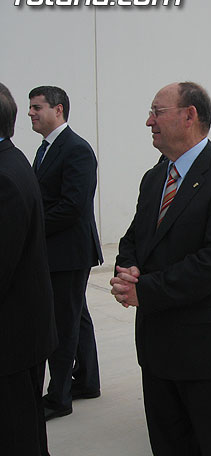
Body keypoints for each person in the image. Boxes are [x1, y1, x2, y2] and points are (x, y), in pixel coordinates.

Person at [110, 82, 211, 455]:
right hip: (157, 347)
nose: (149, 121)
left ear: (189, 115)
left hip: (207, 352)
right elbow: (135, 239)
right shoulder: (155, 177)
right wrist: (126, 270)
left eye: (157, 112)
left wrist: (145, 291)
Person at [28, 85, 103, 420]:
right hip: (57, 251)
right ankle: (87, 381)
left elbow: (73, 206)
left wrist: (31, 225)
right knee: (77, 317)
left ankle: (58, 397)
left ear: (58, 110)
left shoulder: (76, 150)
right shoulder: (45, 150)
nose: (31, 113)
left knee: (63, 322)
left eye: (37, 107)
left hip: (69, 253)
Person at [0, 82, 57, 455]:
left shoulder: (5, 177)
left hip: (12, 338)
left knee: (16, 435)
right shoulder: (13, 159)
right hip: (21, 333)